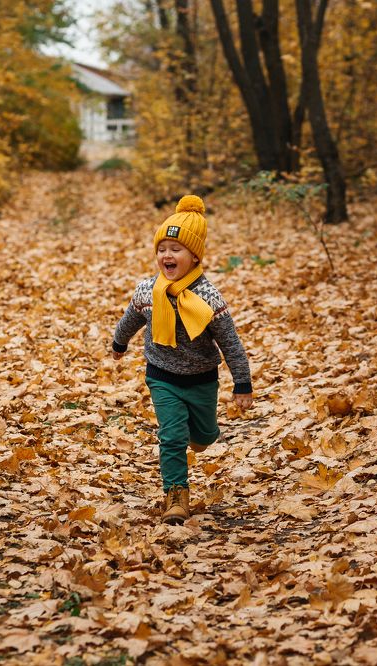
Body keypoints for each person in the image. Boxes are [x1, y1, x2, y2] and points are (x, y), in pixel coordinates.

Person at [111, 195, 253, 524]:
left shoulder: (208, 297)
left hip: (202, 378)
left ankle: (199, 434)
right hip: (161, 375)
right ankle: (176, 494)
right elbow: (130, 319)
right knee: (171, 435)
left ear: (194, 255)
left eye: (175, 249)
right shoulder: (148, 290)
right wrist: (119, 342)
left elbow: (229, 341)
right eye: (162, 249)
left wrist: (242, 383)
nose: (167, 255)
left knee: (205, 436)